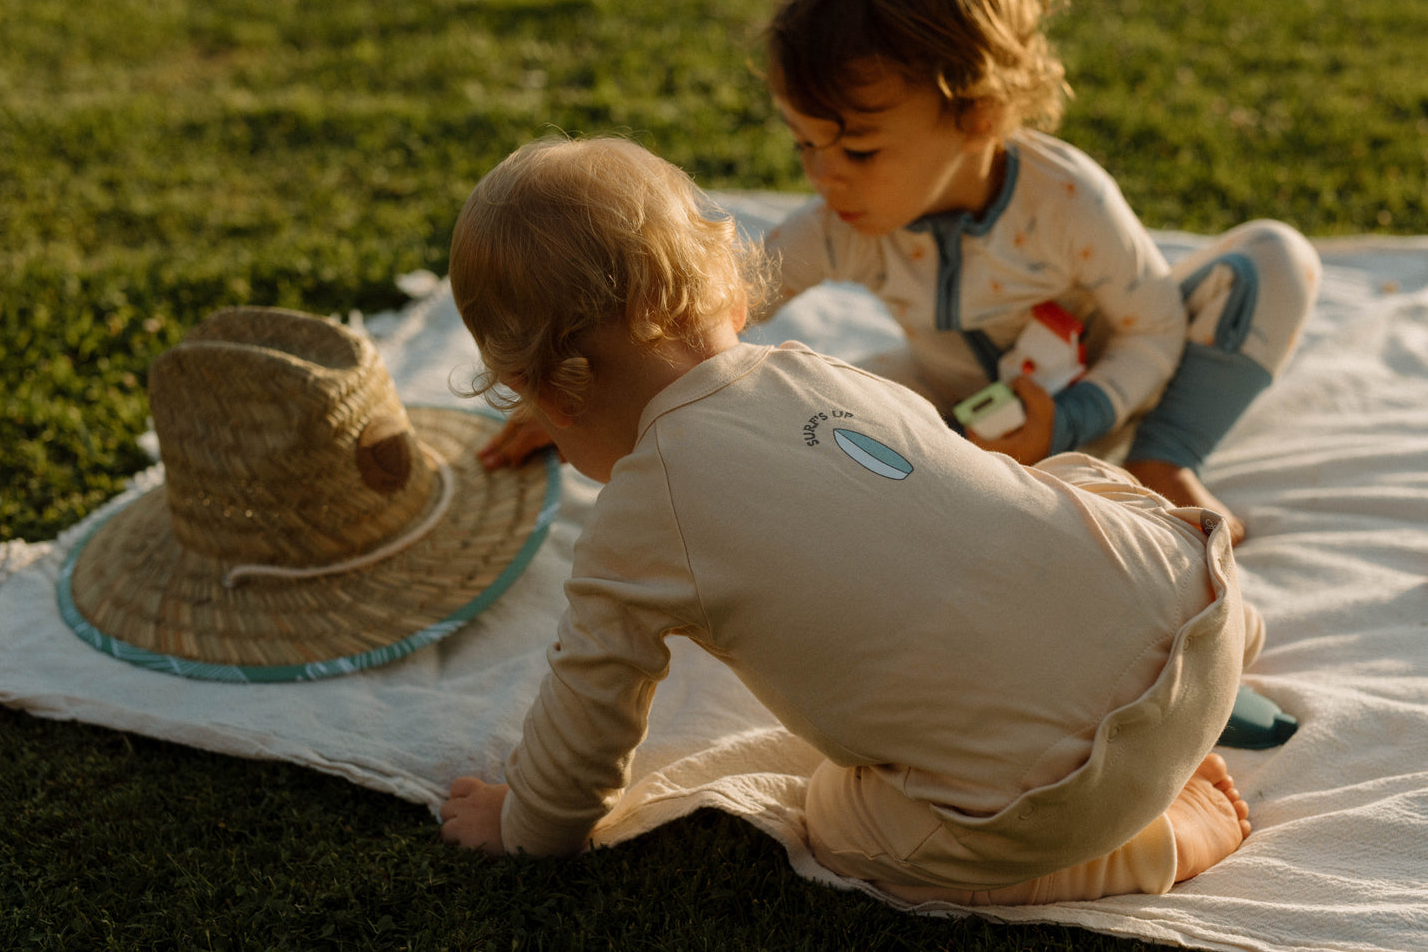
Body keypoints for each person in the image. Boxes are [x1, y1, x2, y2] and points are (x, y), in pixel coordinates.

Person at [440, 134, 1258, 905]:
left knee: (837, 820)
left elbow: (585, 721)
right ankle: (1157, 709)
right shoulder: (820, 373)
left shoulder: (636, 523)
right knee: (1062, 484)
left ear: (545, 395)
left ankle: (1151, 844)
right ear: (725, 283)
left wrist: (524, 826)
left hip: (1054, 799)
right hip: (1198, 622)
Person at [755, 0, 1321, 544]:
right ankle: (964, 486)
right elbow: (728, 295)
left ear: (980, 113)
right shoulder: (838, 222)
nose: (822, 176)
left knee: (1276, 258)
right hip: (956, 423)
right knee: (808, 414)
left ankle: (1162, 460)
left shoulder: (1066, 199)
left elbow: (1153, 326)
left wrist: (1070, 420)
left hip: (1110, 391)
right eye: (802, 143)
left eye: (859, 151)